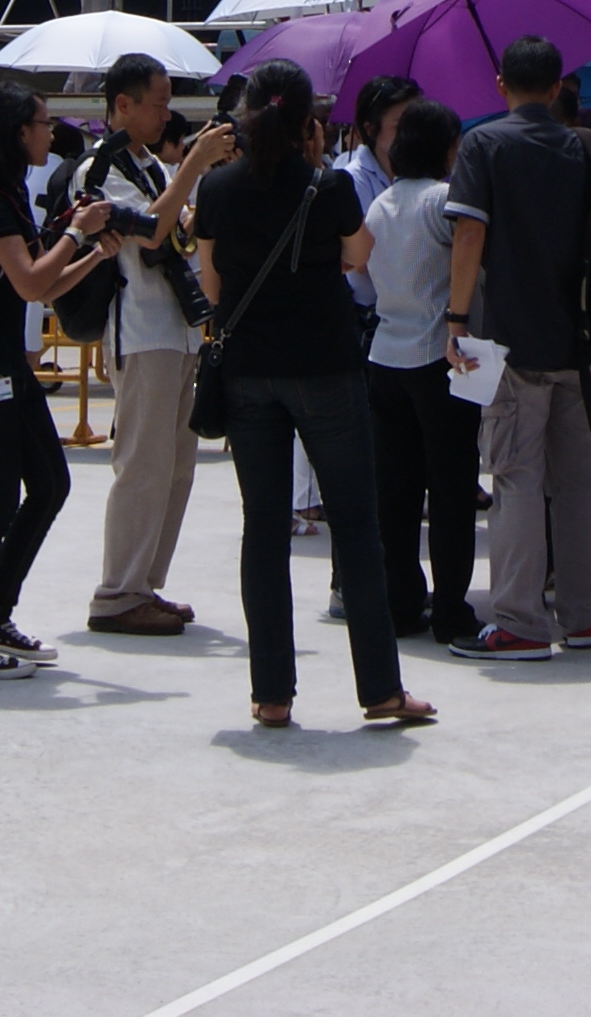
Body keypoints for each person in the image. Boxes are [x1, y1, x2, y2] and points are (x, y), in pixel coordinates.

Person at [195, 59, 435, 731]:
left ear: (243, 115)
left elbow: (211, 288)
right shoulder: (325, 186)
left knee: (264, 530)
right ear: (308, 121)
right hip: (325, 366)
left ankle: (272, 692)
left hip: (247, 372)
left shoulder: (216, 188)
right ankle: (380, 690)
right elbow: (360, 255)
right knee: (356, 527)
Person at [0, 85, 119, 677]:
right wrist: (76, 231)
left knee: (48, 484)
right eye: (43, 124)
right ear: (19, 131)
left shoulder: (10, 195)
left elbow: (44, 282)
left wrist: (92, 251)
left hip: (7, 368)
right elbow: (30, 283)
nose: (51, 134)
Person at [446, 33, 591, 659]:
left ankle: (517, 620)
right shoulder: (582, 147)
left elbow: (467, 237)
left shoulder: (484, 143)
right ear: (558, 84)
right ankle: (582, 616)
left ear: (501, 86)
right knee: (576, 483)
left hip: (509, 339)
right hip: (577, 338)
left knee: (514, 477)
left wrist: (456, 319)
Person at [83, 52, 219, 636]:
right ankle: (117, 592)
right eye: (159, 103)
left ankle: (143, 584)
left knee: (177, 465)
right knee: (142, 464)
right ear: (123, 105)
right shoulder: (100, 166)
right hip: (140, 330)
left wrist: (199, 184)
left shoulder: (150, 166)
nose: (168, 114)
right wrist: (192, 166)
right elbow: (151, 230)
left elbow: (179, 229)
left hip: (178, 328)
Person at [362, 97, 481, 647]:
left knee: (397, 492)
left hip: (385, 354)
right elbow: (470, 245)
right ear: (446, 148)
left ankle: (400, 601)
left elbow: (361, 271)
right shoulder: (445, 199)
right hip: (441, 355)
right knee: (452, 490)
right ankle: (453, 609)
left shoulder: (380, 203)